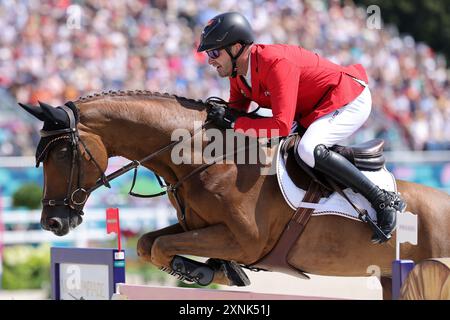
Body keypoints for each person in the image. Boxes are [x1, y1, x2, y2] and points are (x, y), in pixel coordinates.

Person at [198, 12, 406, 243]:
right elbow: (235, 116)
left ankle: (382, 200)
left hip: (348, 98)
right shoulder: (237, 74)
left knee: (308, 149)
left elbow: (280, 126)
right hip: (313, 109)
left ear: (236, 48)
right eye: (209, 53)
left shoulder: (275, 63)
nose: (210, 59)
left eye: (214, 52)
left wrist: (234, 122)